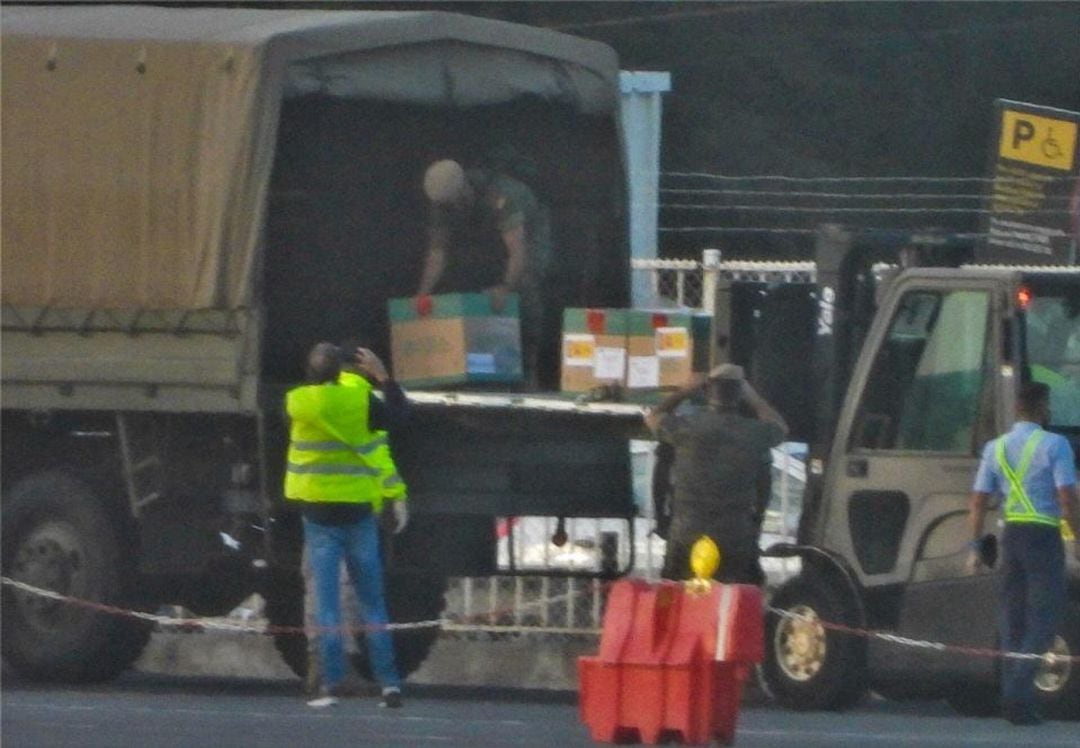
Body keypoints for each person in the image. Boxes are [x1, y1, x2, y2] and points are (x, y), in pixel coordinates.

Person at [284, 342, 408, 709]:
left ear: (309, 374)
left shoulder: (298, 402)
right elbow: (400, 414)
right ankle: (389, 684)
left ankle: (332, 684)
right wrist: (382, 376)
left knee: (327, 605)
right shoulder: (361, 402)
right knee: (373, 602)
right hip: (357, 513)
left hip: (319, 516)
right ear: (341, 372)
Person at [968, 380, 1080, 726]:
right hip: (1043, 537)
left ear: (1017, 408)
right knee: (1045, 620)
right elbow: (1067, 497)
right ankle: (1016, 695)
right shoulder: (1055, 444)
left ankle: (1015, 699)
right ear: (1042, 408)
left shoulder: (995, 448)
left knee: (1012, 619)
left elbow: (977, 502)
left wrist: (974, 547)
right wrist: (1076, 538)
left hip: (1011, 536)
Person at [644, 364, 788, 584]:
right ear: (739, 393)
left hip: (685, 531)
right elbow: (780, 427)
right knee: (732, 599)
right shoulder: (752, 433)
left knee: (678, 597)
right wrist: (752, 395)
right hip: (735, 535)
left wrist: (684, 391)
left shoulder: (685, 428)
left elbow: (653, 416)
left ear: (707, 390)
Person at [418, 158, 552, 388]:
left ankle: (528, 373)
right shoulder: (442, 203)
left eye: (455, 202)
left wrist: (506, 287)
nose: (452, 208)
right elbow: (437, 254)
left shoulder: (501, 195)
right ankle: (483, 374)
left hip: (527, 235)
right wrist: (423, 294)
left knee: (523, 287)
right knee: (471, 283)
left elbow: (518, 250)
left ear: (463, 190)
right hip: (489, 239)